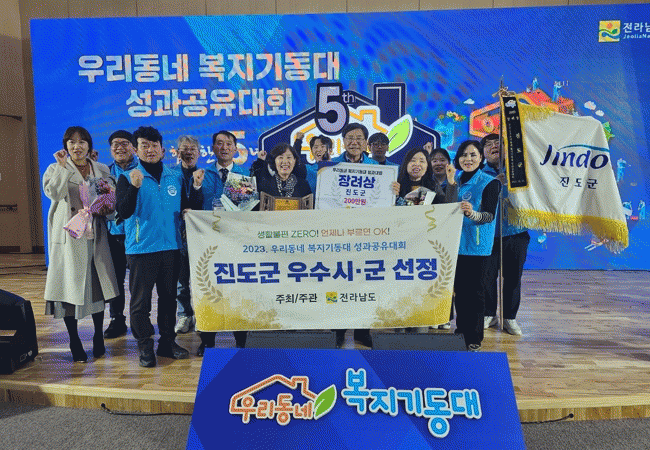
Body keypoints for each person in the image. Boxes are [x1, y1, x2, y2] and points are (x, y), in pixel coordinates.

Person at [116, 126, 203, 368]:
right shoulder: (127, 177)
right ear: (136, 150)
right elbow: (123, 212)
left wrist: (196, 187)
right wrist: (134, 187)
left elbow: (187, 208)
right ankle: (145, 346)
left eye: (154, 145)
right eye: (144, 145)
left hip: (171, 248)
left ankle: (167, 342)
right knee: (141, 304)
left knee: (168, 300)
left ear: (162, 150)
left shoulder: (174, 176)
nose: (150, 150)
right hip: (141, 250)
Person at [42, 126, 119, 362]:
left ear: (89, 145)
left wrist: (107, 206)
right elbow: (54, 194)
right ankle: (74, 340)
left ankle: (98, 336)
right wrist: (62, 168)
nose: (77, 146)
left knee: (98, 287)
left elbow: (110, 202)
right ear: (66, 146)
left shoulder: (101, 168)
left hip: (95, 235)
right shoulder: (55, 168)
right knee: (69, 289)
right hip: (70, 237)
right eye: (72, 142)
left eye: (82, 142)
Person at [198, 130, 247, 355]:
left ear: (236, 148)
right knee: (208, 290)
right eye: (219, 143)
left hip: (236, 243)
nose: (224, 147)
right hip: (208, 242)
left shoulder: (245, 175)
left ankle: (241, 340)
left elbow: (251, 209)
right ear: (213, 148)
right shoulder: (203, 174)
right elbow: (193, 203)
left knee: (238, 291)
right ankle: (208, 340)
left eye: (229, 144)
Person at [452, 140, 500, 351]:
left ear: (481, 158)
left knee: (476, 294)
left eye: (473, 155)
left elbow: (489, 215)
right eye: (464, 155)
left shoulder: (490, 182)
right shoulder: (455, 180)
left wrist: (472, 213)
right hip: (454, 245)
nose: (468, 159)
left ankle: (474, 337)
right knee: (460, 293)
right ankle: (460, 331)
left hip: (477, 247)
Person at [480, 133, 530, 336]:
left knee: (513, 277)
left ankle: (510, 317)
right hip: (487, 234)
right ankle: (489, 314)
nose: (493, 146)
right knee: (487, 277)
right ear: (483, 152)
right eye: (488, 144)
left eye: (498, 142)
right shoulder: (478, 174)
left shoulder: (520, 171)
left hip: (516, 232)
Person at [170, 135, 202, 335]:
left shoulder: (206, 175)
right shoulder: (170, 174)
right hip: (176, 235)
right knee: (180, 281)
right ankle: (184, 315)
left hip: (201, 236)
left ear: (199, 153)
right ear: (177, 152)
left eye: (192, 149)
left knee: (202, 279)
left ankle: (201, 315)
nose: (188, 152)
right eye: (184, 148)